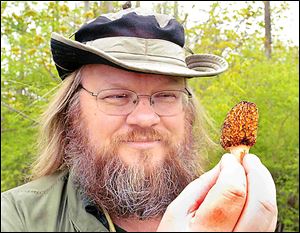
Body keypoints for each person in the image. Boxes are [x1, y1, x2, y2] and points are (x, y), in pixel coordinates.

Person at [1, 7, 277, 232]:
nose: (145, 118)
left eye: (167, 95)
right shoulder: (16, 218)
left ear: (188, 112)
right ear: (71, 114)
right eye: (117, 96)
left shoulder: (243, 210)